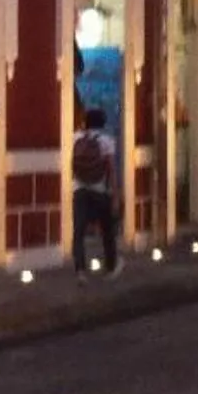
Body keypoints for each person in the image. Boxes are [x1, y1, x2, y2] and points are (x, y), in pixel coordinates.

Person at [69, 108, 119, 274]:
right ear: (103, 123)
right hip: (99, 190)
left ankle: (80, 270)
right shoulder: (107, 141)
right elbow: (111, 170)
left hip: (79, 188)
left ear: (86, 122)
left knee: (78, 231)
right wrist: (115, 195)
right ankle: (111, 266)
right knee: (107, 229)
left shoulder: (75, 137)